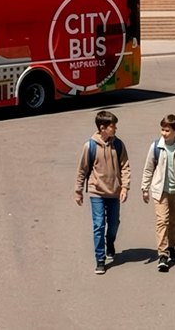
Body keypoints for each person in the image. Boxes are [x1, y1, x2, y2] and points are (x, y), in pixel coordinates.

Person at [74, 110, 130, 275]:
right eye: (113, 126)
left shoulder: (118, 145)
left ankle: (110, 242)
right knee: (98, 225)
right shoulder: (90, 146)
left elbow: (125, 167)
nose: (115, 129)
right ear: (102, 128)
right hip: (96, 192)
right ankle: (100, 258)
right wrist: (78, 191)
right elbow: (82, 170)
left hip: (114, 192)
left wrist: (125, 187)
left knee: (113, 224)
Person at [141, 114, 175, 272]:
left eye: (167, 130)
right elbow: (148, 168)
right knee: (162, 221)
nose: (163, 133)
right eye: (162, 130)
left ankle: (171, 246)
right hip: (160, 191)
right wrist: (145, 188)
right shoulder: (156, 146)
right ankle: (162, 254)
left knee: (174, 221)